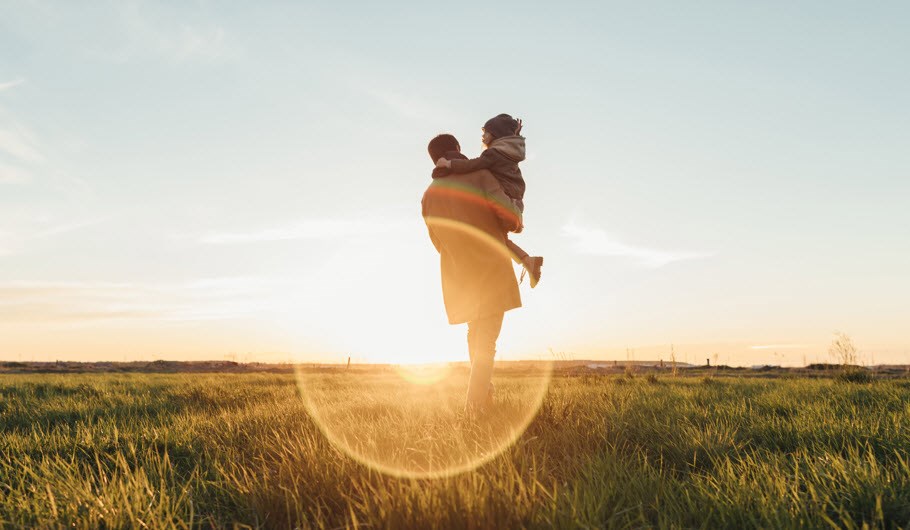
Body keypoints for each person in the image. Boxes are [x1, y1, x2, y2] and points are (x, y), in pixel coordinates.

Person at [422, 133, 523, 412]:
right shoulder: (480, 176)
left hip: (459, 278)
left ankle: (483, 397)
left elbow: (438, 244)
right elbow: (510, 217)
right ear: (456, 149)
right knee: (487, 341)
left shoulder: (429, 196)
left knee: (475, 334)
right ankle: (473, 409)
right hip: (491, 271)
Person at [434, 114, 543, 287]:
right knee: (500, 239)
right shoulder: (509, 150)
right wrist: (513, 134)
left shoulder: (493, 154)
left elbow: (474, 164)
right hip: (514, 197)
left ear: (496, 135)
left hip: (506, 196)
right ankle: (527, 260)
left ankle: (527, 261)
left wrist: (449, 165)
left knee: (494, 237)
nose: (483, 136)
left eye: (487, 132)